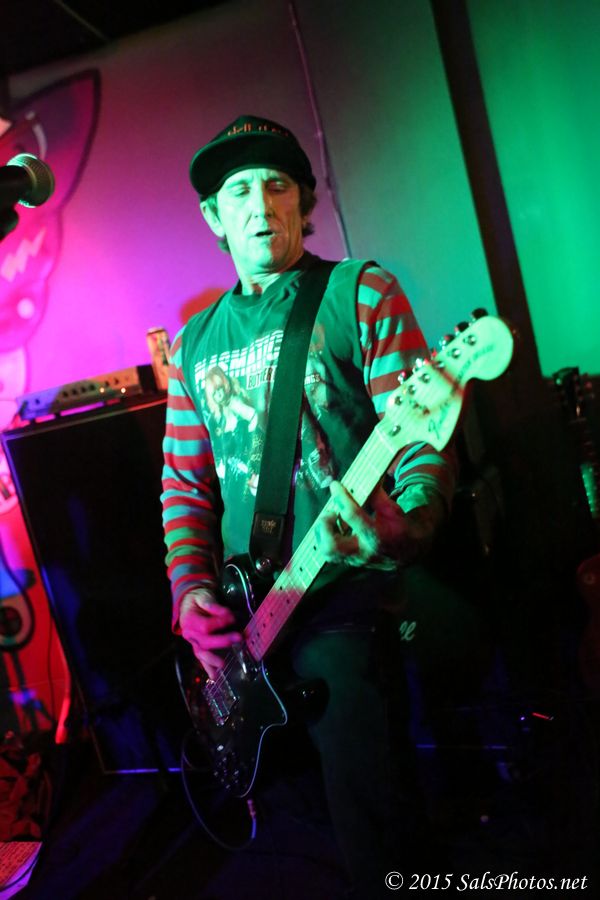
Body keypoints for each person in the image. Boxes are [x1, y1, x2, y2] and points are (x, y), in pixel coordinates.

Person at [161, 114, 455, 898]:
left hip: (345, 594)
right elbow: (185, 486)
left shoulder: (359, 292)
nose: (260, 205)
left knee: (375, 830)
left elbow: (421, 441)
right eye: (239, 191)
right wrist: (190, 592)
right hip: (250, 618)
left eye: (277, 186)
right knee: (292, 843)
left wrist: (405, 523)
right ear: (213, 217)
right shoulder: (192, 345)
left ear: (302, 202)